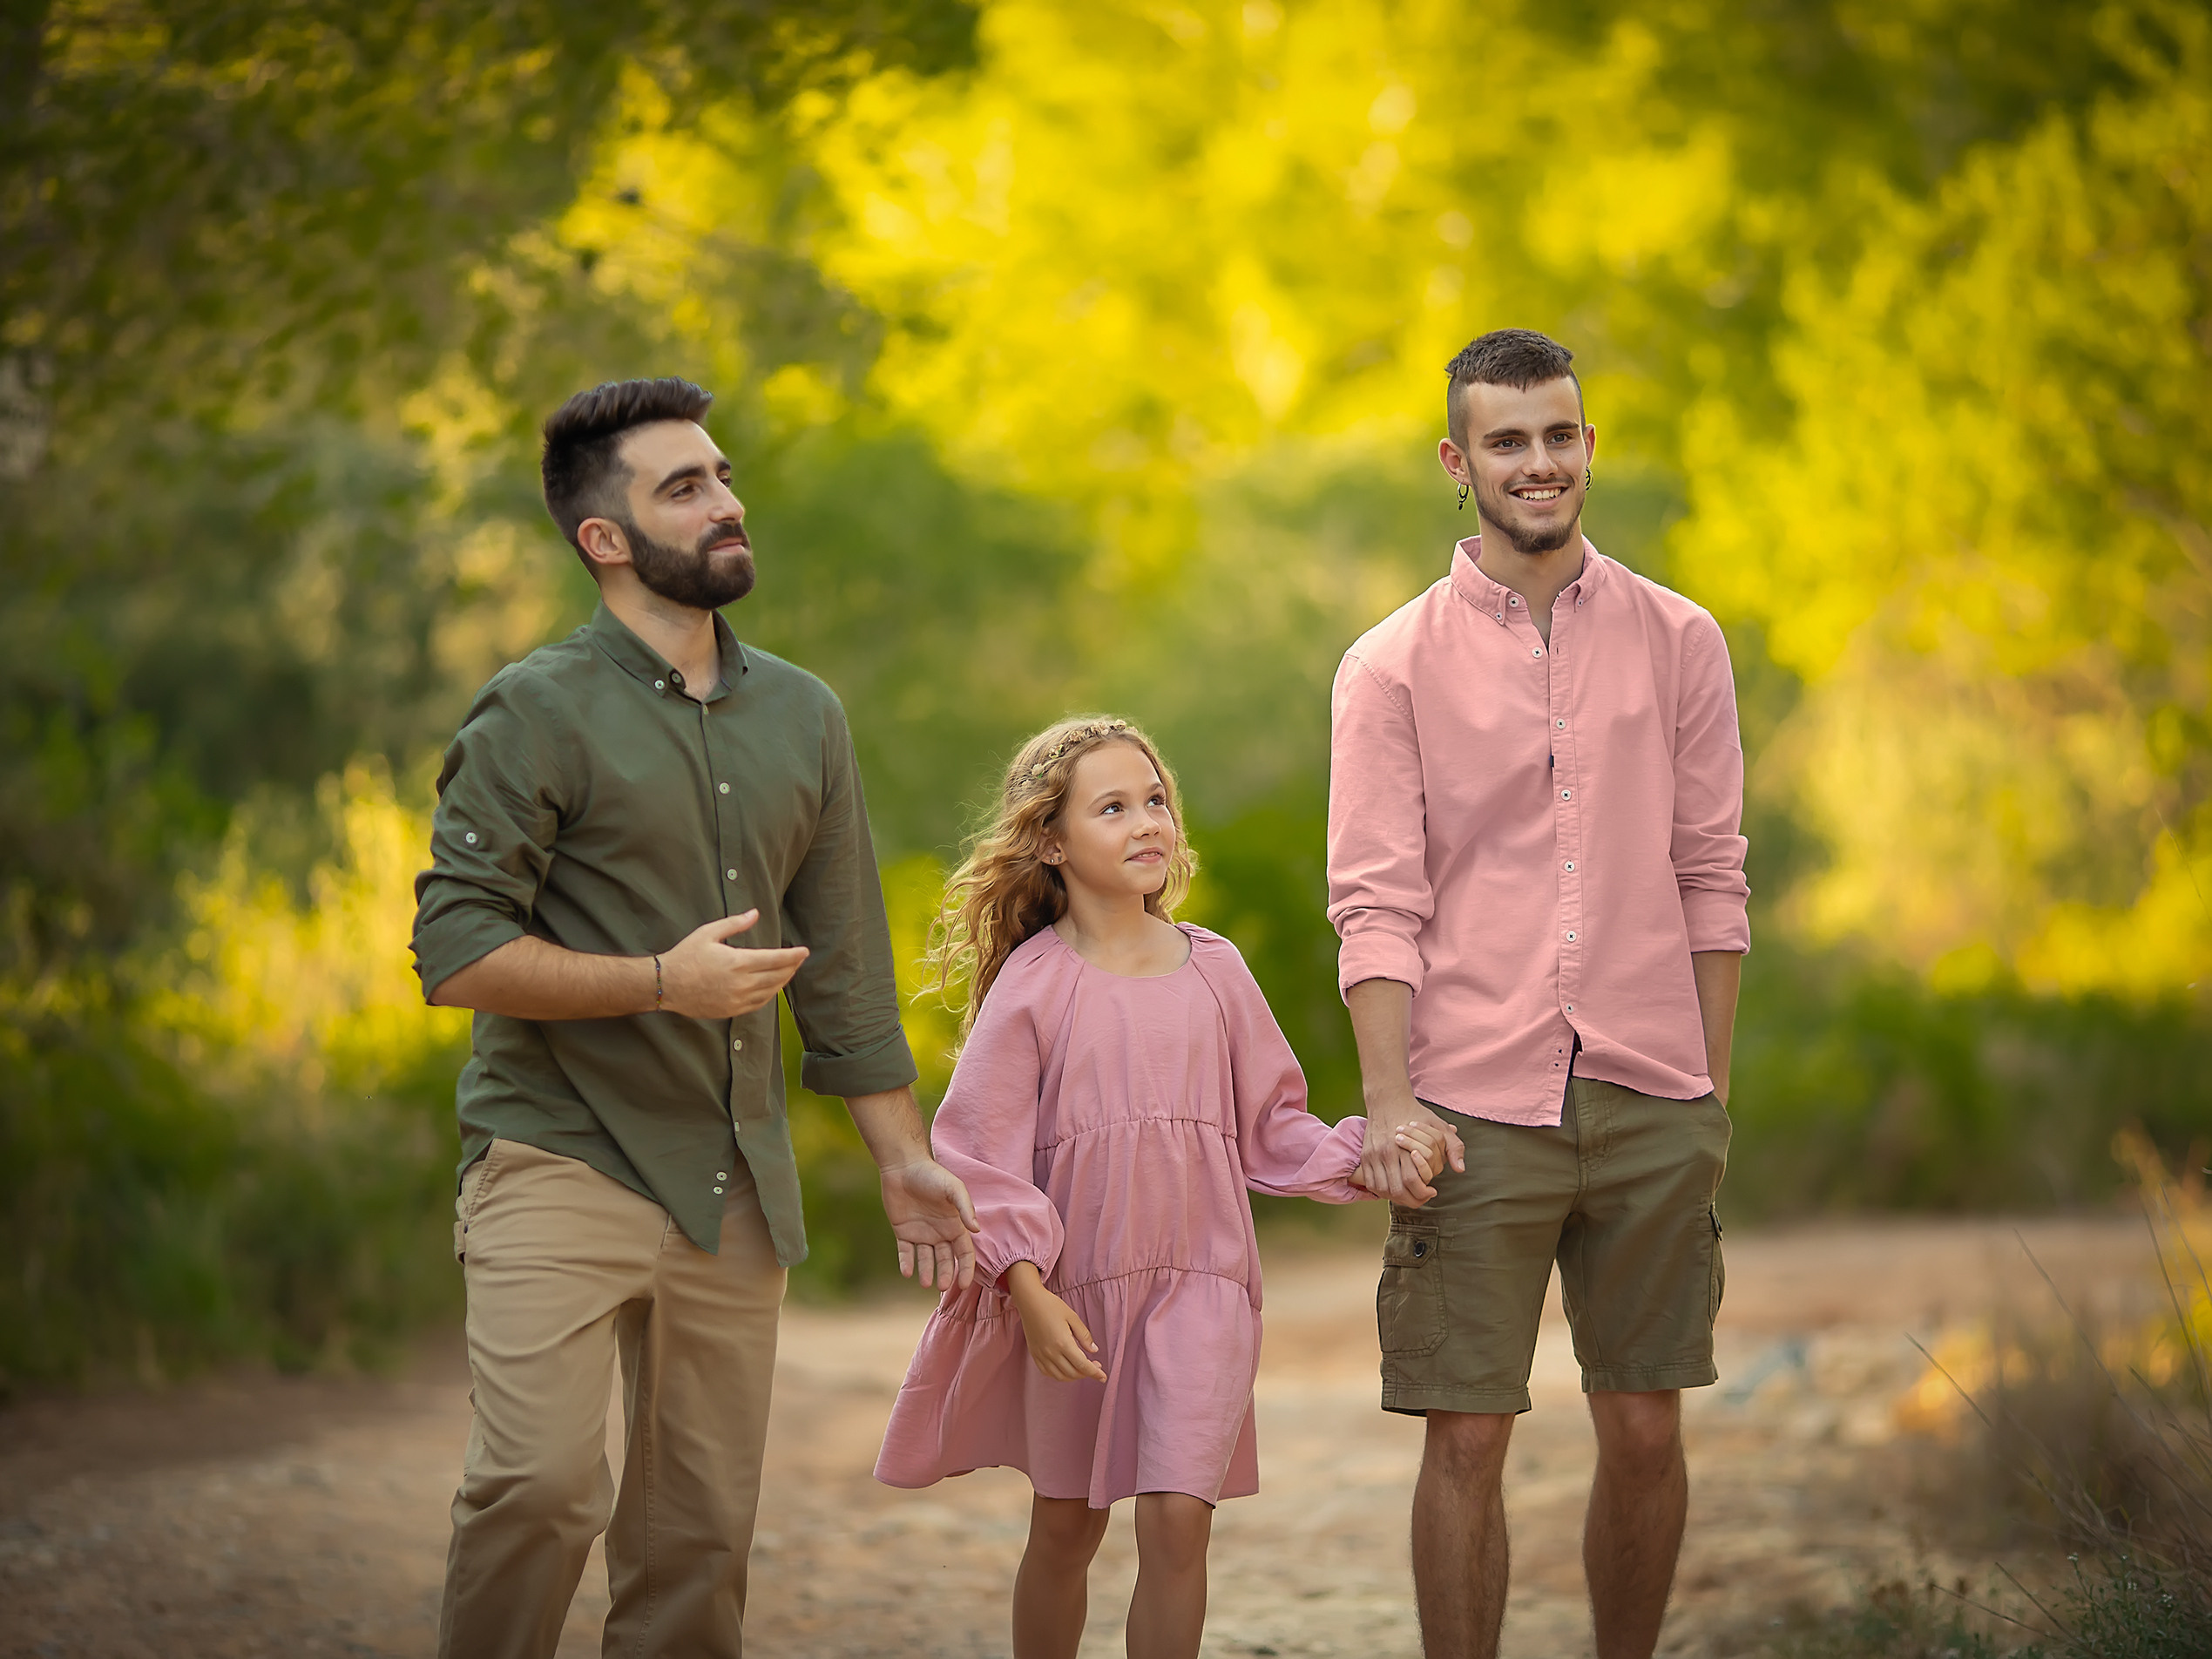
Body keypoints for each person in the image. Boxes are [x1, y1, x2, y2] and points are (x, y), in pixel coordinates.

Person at [410, 376, 980, 1659]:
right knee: (538, 1489)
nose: (725, 503)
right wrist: (657, 982)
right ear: (602, 541)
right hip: (558, 1152)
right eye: (684, 488)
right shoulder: (535, 708)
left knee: (696, 1544)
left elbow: (842, 971)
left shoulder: (803, 714)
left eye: (721, 477)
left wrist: (902, 1160)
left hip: (732, 1183)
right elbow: (454, 950)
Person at [1328, 328, 1749, 1659]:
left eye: (1558, 435)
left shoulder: (1680, 638)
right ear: (1458, 462)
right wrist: (1388, 1102)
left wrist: (1706, 1096)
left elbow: (1710, 877)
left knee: (1642, 1424)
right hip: (1469, 1104)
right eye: (1506, 441)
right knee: (1466, 1433)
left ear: (1586, 446)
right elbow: (1375, 899)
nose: (1538, 463)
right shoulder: (1387, 665)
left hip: (1648, 1090)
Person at [874, 716, 1454, 1659]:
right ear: (1053, 841)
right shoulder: (1034, 982)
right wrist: (1026, 1292)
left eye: (1155, 801)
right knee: (1066, 1528)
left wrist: (1370, 1154)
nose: (1147, 822)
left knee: (1180, 1520)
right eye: (1113, 807)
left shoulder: (1215, 966)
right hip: (1076, 1298)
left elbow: (1273, 1124)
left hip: (1204, 1286)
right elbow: (980, 1155)